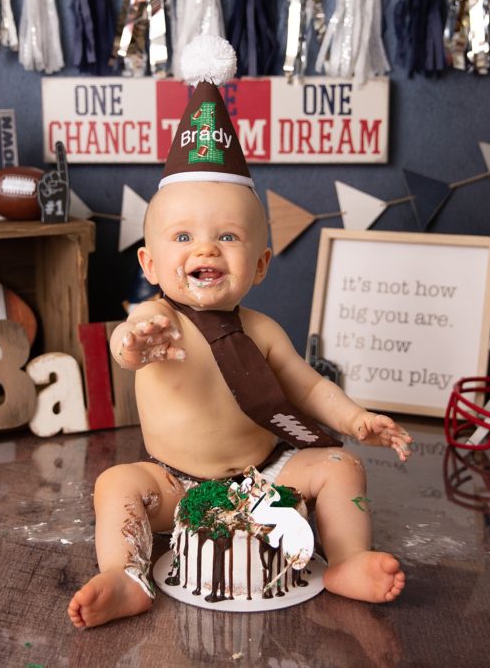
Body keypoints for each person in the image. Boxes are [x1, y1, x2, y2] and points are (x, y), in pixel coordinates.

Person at [67, 35, 412, 629]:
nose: (205, 249)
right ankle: (126, 576)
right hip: (173, 483)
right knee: (116, 483)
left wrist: (356, 418)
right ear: (150, 264)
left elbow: (308, 387)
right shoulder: (156, 320)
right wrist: (134, 343)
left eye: (227, 236)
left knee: (342, 466)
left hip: (267, 475)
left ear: (259, 265)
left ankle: (347, 560)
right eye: (183, 237)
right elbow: (128, 345)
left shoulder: (262, 329)